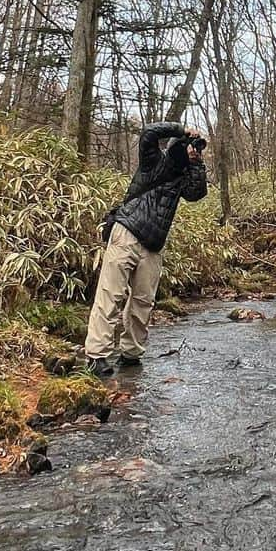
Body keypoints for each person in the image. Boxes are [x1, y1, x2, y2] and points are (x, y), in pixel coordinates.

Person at [84, 122, 208, 377]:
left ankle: (131, 354)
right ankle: (97, 356)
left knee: (143, 301)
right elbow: (149, 133)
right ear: (178, 147)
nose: (190, 151)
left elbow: (197, 193)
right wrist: (181, 130)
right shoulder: (154, 161)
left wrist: (196, 161)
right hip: (126, 232)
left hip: (153, 245)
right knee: (111, 295)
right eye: (188, 148)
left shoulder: (183, 179)